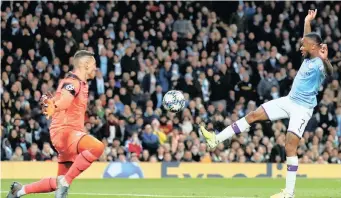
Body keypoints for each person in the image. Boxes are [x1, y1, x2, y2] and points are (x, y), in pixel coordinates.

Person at [200, 9, 339, 198]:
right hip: (289, 100)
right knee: (253, 115)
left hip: (303, 108)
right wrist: (307, 21)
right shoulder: (308, 56)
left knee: (289, 146)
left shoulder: (320, 64)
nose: (300, 47)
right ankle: (215, 139)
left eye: (303, 45)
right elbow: (308, 37)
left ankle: (289, 193)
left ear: (314, 48)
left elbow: (330, 71)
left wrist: (326, 59)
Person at [7, 50, 104, 198]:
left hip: (66, 135)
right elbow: (65, 99)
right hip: (66, 132)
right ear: (85, 64)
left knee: (59, 182)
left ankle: (20, 191)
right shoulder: (72, 82)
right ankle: (66, 182)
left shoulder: (79, 83)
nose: (95, 68)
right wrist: (56, 106)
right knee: (97, 147)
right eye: (94, 64)